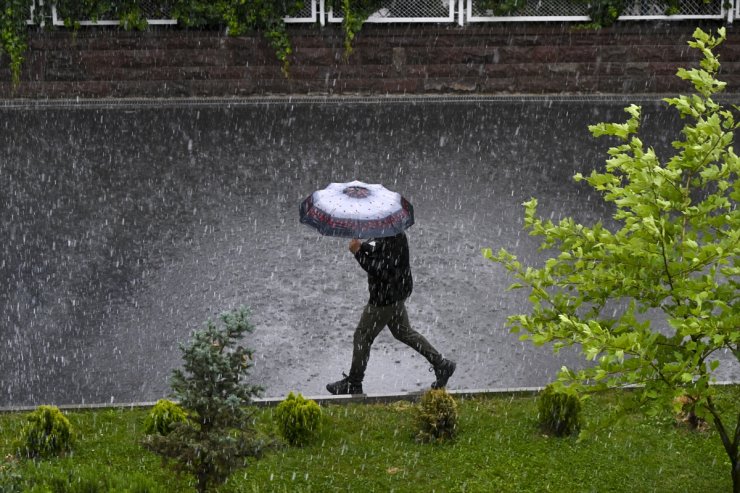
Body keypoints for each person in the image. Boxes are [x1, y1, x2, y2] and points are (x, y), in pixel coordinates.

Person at [326, 231, 456, 395]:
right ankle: (442, 365)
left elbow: (381, 270)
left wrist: (358, 253)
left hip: (384, 298)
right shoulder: (389, 232)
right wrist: (363, 246)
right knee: (403, 331)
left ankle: (354, 382)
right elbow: (376, 248)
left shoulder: (392, 237)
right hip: (395, 293)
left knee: (362, 336)